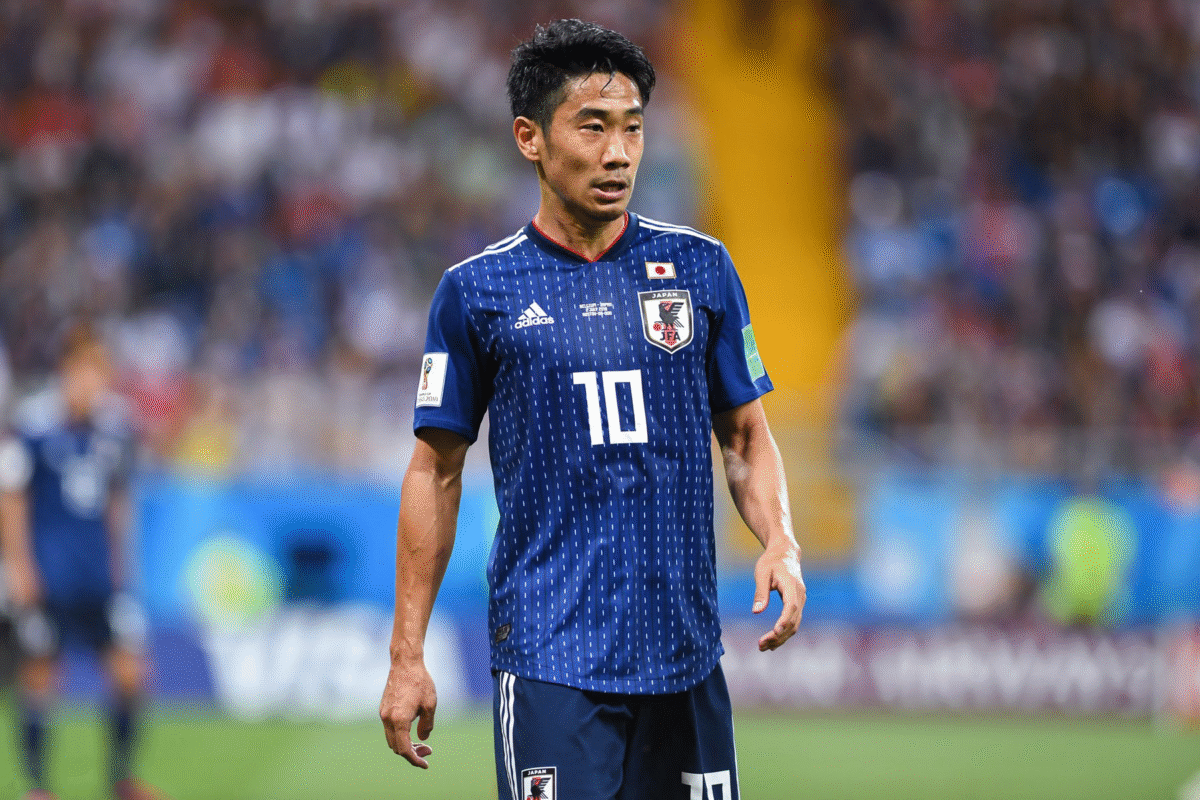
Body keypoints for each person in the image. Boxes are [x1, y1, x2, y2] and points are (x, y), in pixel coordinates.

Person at [379, 19, 806, 799]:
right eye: (593, 126)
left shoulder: (702, 269)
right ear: (530, 139)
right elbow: (434, 471)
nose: (618, 153)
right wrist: (407, 652)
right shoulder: (477, 292)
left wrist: (780, 538)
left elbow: (746, 436)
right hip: (552, 663)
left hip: (685, 657)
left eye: (633, 128)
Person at [0, 324, 162, 800]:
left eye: (99, 373)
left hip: (98, 577)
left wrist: (123, 568)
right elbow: (13, 501)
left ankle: (121, 779)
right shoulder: (33, 426)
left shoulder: (115, 429)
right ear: (66, 371)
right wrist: (20, 569)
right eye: (83, 371)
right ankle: (38, 787)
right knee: (40, 675)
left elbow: (119, 503)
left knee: (131, 671)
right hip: (48, 576)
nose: (91, 383)